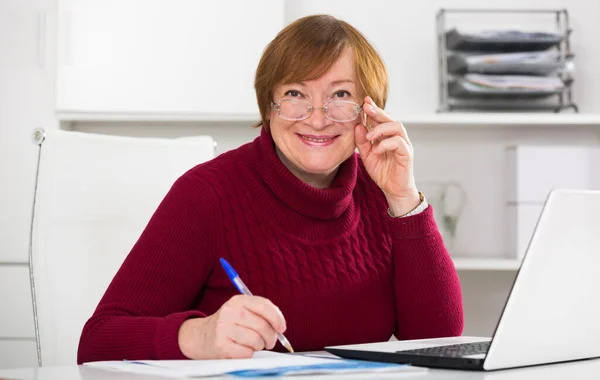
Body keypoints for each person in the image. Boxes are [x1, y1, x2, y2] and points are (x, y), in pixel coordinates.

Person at [77, 14, 463, 363]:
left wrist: (404, 200)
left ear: (369, 111)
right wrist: (198, 336)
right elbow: (97, 341)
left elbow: (438, 339)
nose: (316, 118)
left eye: (340, 96)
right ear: (268, 106)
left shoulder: (381, 188)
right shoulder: (206, 194)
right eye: (295, 94)